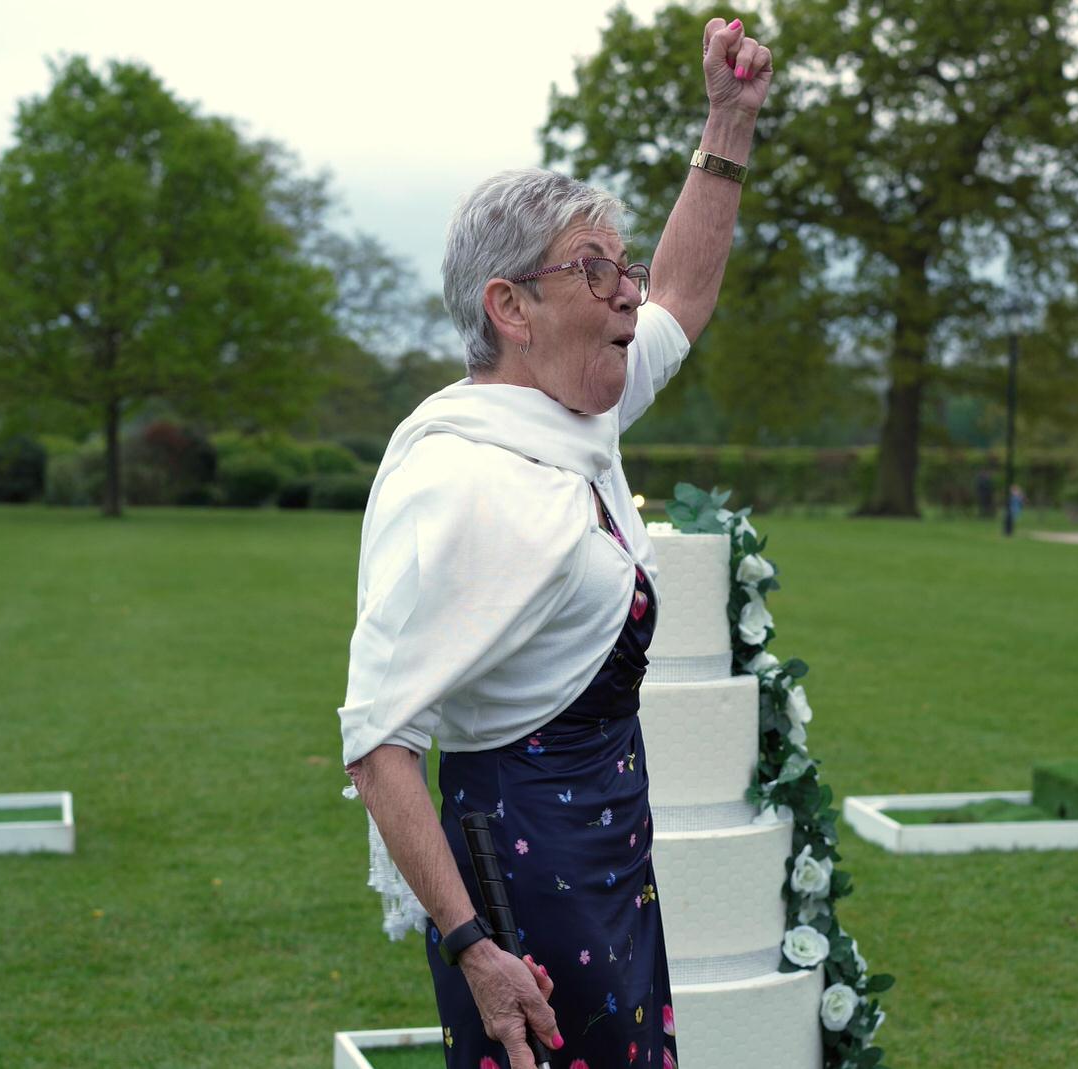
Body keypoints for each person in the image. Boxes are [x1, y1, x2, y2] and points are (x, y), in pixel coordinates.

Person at [337, 19, 773, 1069]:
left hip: (612, 852)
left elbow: (685, 294)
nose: (627, 290)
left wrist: (728, 122)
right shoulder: (459, 474)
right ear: (511, 306)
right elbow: (378, 738)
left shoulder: (575, 424)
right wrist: (473, 945)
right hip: (516, 884)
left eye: (620, 266)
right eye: (595, 269)